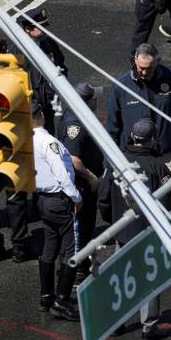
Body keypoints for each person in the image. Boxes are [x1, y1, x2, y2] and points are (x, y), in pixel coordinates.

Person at [98, 118, 171, 340]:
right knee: (149, 277)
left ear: (132, 137)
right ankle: (148, 326)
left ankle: (117, 322)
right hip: (147, 231)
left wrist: (113, 221)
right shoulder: (158, 166)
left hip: (122, 230)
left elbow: (104, 198)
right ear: (152, 139)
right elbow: (168, 201)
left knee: (120, 275)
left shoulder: (116, 162)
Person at [105, 43, 171, 173]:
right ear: (135, 60)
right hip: (133, 157)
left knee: (170, 186)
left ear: (157, 62)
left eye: (149, 68)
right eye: (141, 68)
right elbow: (113, 124)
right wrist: (112, 156)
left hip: (166, 154)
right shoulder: (121, 86)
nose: (144, 72)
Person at [33, 104, 83, 322]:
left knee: (50, 245)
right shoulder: (48, 142)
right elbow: (62, 174)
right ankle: (62, 301)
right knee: (70, 249)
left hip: (42, 200)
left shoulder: (27, 141)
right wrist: (76, 198)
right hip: (58, 200)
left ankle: (46, 296)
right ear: (42, 116)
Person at [58, 83, 105, 286]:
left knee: (86, 227)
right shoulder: (74, 125)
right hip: (81, 185)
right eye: (93, 98)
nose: (97, 100)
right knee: (79, 230)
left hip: (84, 184)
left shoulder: (79, 116)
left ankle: (80, 266)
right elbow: (73, 158)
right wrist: (90, 176)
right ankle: (76, 272)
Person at [15, 8, 68, 135]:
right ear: (28, 29)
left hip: (48, 105)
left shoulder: (48, 43)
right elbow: (17, 85)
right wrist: (34, 109)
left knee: (49, 135)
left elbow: (60, 65)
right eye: (40, 27)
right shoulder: (17, 52)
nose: (45, 31)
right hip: (30, 110)